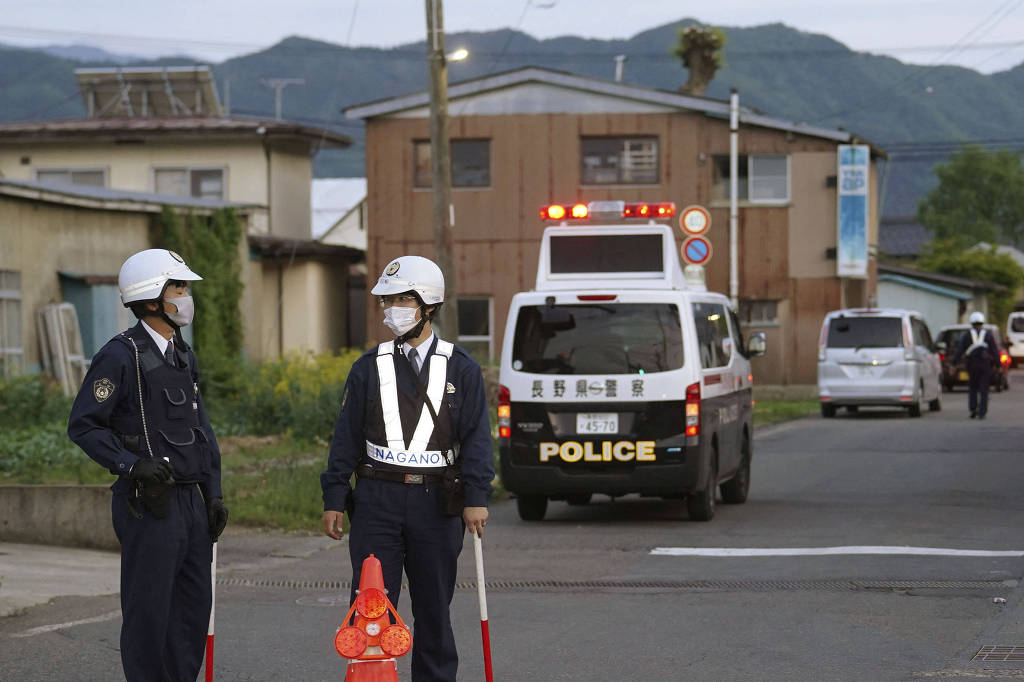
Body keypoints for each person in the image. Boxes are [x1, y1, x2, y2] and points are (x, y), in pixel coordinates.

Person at [321, 255, 493, 681]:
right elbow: (345, 437)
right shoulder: (368, 366)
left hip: (437, 503)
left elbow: (476, 438)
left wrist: (476, 498)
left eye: (402, 299)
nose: (390, 309)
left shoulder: (462, 367)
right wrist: (334, 497)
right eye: (387, 300)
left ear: (428, 305)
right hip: (377, 498)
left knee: (434, 609)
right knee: (370, 606)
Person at [68, 248, 228, 682]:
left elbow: (202, 431)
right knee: (149, 614)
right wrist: (130, 465)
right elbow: (84, 426)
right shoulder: (120, 356)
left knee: (192, 613)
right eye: (179, 287)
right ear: (151, 298)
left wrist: (213, 494)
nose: (186, 295)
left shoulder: (182, 354)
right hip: (149, 504)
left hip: (191, 503)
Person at [953, 311, 1000, 420]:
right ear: (982, 323)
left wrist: (954, 363)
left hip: (972, 364)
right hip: (985, 365)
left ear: (972, 323)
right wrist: (998, 365)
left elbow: (960, 350)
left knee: (973, 387)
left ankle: (973, 409)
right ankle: (982, 411)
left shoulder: (966, 335)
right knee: (984, 389)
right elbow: (994, 350)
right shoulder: (988, 335)